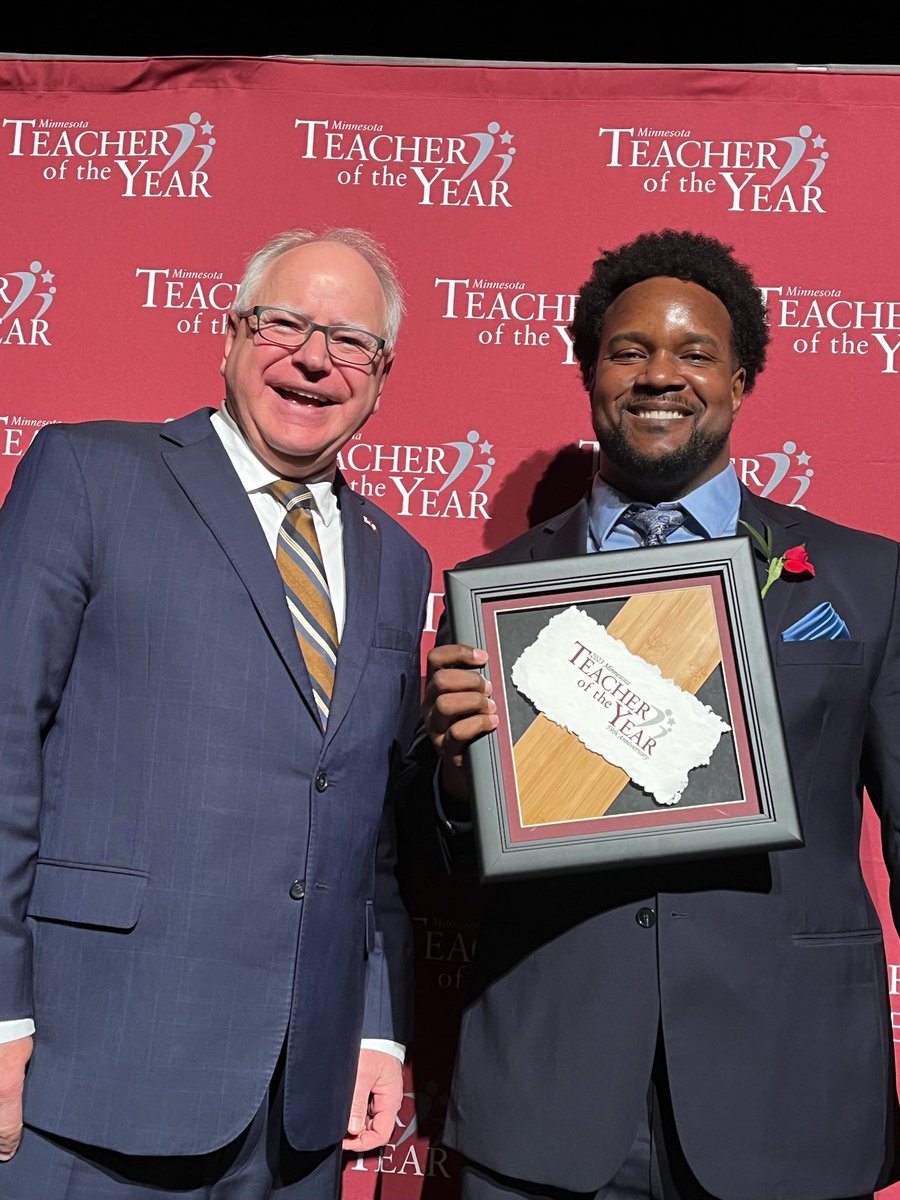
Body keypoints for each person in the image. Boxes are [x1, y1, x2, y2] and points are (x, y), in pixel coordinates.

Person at [410, 229, 900, 1200]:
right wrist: (459, 778)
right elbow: (430, 859)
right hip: (547, 1101)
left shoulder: (868, 580)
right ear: (590, 370)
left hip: (790, 1091)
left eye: (695, 352)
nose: (659, 375)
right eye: (629, 350)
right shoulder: (494, 592)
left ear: (743, 376)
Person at [0, 226, 432, 1198]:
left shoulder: (398, 561)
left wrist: (372, 1019)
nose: (315, 357)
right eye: (287, 323)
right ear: (231, 334)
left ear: (382, 374)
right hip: (86, 1072)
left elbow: (374, 825)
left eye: (350, 340)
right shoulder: (88, 476)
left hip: (295, 1111)